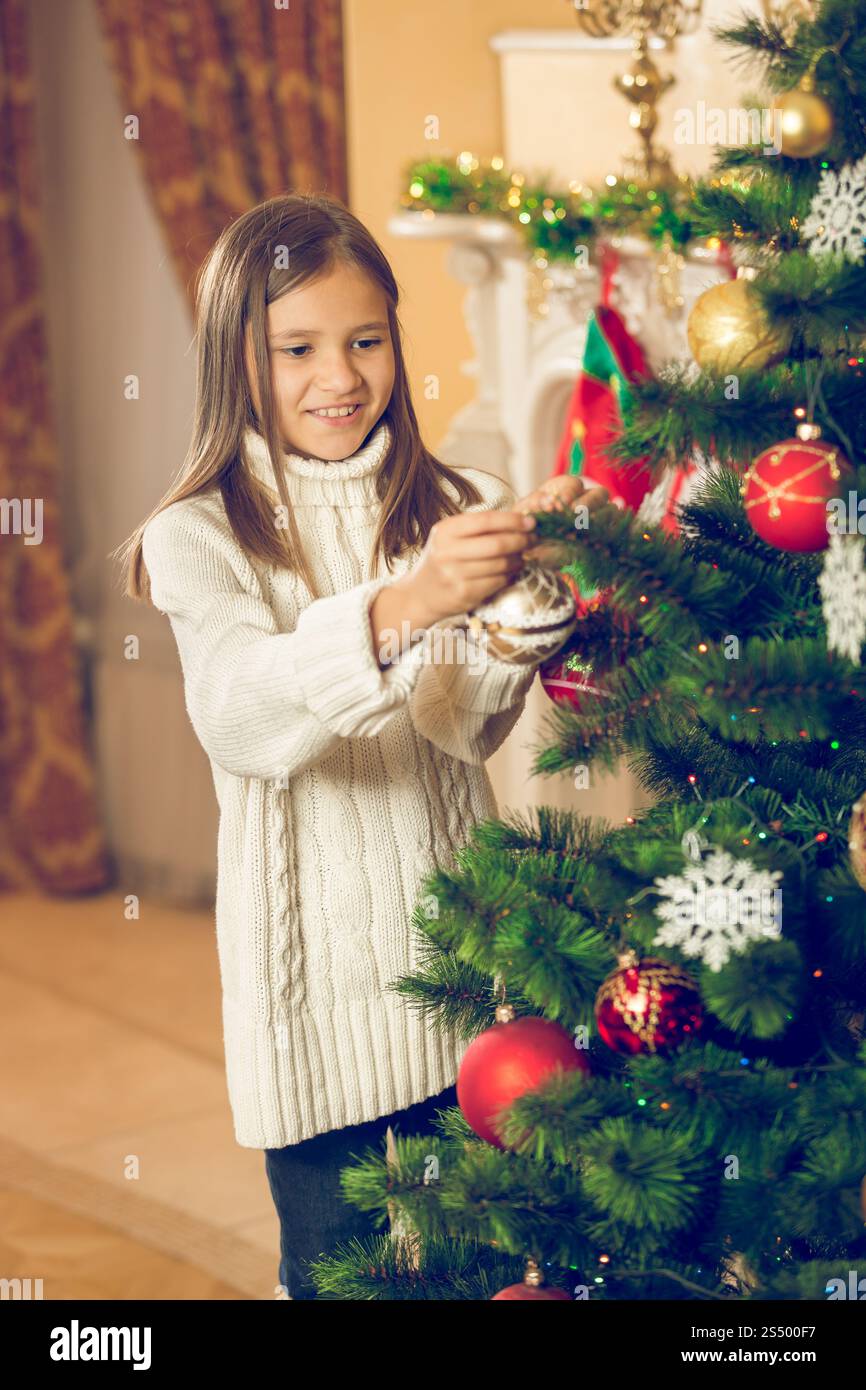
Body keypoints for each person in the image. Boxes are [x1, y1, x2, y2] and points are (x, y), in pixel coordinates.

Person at [114, 192, 607, 1299]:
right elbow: (244, 717)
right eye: (296, 348)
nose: (338, 377)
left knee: (490, 1272)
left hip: (467, 993)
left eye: (365, 340)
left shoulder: (456, 498)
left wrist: (522, 603)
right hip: (316, 1018)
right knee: (346, 1282)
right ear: (234, 358)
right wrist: (406, 601)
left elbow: (462, 726)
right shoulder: (198, 536)